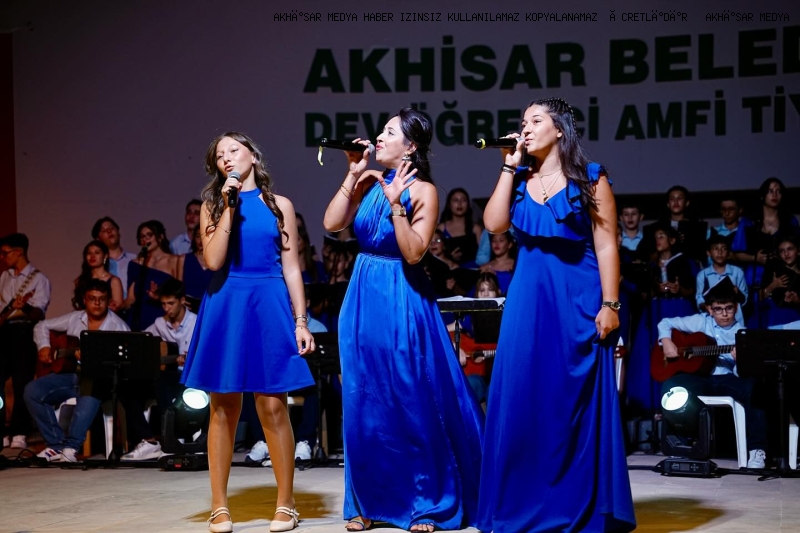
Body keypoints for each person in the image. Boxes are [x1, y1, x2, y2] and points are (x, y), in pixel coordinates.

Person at [323, 108, 483, 532]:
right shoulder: (367, 180)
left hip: (400, 293)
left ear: (410, 146)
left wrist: (396, 206)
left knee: (409, 397)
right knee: (362, 399)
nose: (378, 137)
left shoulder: (424, 190)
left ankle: (426, 502)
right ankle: (366, 501)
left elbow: (413, 253)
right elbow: (332, 223)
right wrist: (352, 173)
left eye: (389, 132)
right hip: (362, 294)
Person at [479, 97, 635, 532]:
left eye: (535, 120)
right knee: (521, 399)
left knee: (568, 403)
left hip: (577, 301)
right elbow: (493, 224)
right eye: (522, 121)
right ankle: (520, 504)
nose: (525, 128)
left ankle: (574, 505)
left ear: (560, 129)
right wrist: (508, 165)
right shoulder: (519, 177)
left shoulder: (590, 177)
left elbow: (607, 245)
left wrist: (610, 304)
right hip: (528, 302)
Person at [181, 131, 314, 533]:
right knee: (223, 407)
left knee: (272, 404)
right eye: (219, 155)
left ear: (253, 156)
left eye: (233, 150)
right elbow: (213, 260)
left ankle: (286, 503)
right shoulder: (212, 205)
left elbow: (292, 268)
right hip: (227, 301)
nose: (227, 158)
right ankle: (219, 507)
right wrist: (227, 205)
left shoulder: (280, 205)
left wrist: (301, 321)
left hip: (268, 302)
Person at [659, 277, 767, 468]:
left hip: (727, 379)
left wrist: (739, 360)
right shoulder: (701, 321)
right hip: (699, 377)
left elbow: (741, 373)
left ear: (736, 307)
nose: (724, 314)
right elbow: (665, 323)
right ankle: (679, 445)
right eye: (718, 309)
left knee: (754, 388)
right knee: (671, 386)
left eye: (729, 308)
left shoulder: (742, 334)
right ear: (710, 309)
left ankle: (757, 450)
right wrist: (666, 341)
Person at [25, 279, 129, 462]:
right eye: (92, 298)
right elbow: (42, 325)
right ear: (84, 300)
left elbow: (125, 363)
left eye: (102, 299)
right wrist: (44, 346)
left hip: (101, 381)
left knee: (90, 387)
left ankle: (71, 447)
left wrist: (94, 360)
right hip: (73, 376)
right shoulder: (75, 317)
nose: (97, 303)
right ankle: (55, 445)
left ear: (108, 301)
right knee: (33, 390)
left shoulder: (118, 326)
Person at [0, 233, 52, 450]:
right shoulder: (3, 277)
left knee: (22, 382)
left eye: (5, 253)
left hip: (25, 332)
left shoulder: (39, 279)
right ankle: (2, 429)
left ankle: (19, 431)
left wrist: (26, 306)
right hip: (4, 332)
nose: (2, 257)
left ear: (18, 252)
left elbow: (38, 313)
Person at [119, 220, 183, 331]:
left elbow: (178, 292)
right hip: (138, 316)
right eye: (142, 236)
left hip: (162, 314)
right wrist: (118, 307)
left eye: (149, 235)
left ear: (160, 237)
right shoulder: (136, 264)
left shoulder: (174, 261)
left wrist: (160, 296)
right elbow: (131, 298)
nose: (145, 239)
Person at [695, 234, 748, 318]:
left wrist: (738, 293)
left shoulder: (737, 272)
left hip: (734, 318)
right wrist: (705, 306)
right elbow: (699, 299)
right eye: (716, 248)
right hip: (711, 318)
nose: (720, 252)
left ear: (728, 253)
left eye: (724, 248)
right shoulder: (702, 275)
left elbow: (745, 299)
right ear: (708, 252)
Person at [91, 217, 138, 298]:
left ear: (118, 232)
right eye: (104, 230)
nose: (109, 231)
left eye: (111, 228)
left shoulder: (135, 259)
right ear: (98, 239)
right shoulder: (97, 265)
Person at [73, 240, 124, 312]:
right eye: (89, 253)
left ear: (105, 256)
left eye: (97, 253)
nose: (92, 256)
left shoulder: (114, 281)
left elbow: (117, 307)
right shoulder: (80, 280)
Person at [437, 188, 482, 265]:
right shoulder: (441, 228)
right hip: (448, 269)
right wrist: (449, 257)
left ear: (468, 204)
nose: (459, 203)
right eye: (455, 200)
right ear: (449, 205)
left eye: (463, 200)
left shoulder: (476, 229)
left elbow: (483, 255)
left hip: (473, 269)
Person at [181, 226, 214, 312]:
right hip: (188, 308)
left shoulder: (218, 262)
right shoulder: (184, 259)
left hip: (210, 308)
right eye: (198, 236)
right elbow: (178, 287)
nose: (201, 240)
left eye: (205, 236)